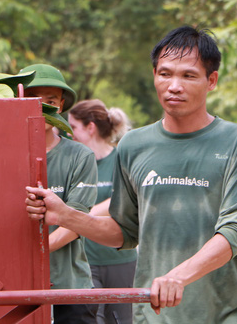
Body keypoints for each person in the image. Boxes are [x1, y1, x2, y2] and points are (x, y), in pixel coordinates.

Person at [26, 26, 237, 324]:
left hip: (228, 312)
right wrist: (65, 215)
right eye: (165, 74)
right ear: (154, 75)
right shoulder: (134, 145)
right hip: (155, 314)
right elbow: (125, 232)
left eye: (188, 75)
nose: (174, 86)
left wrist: (177, 276)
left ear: (211, 81)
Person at [20, 64, 98, 324]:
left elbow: (77, 222)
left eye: (50, 101)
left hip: (69, 287)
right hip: (15, 287)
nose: (41, 107)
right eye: (33, 99)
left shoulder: (80, 156)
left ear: (61, 105)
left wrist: (33, 252)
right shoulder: (2, 156)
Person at [68, 99, 137, 324]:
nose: (70, 134)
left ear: (90, 128)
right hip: (85, 261)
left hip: (120, 259)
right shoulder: (76, 163)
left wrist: (77, 217)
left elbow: (121, 201)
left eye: (74, 127)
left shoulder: (121, 159)